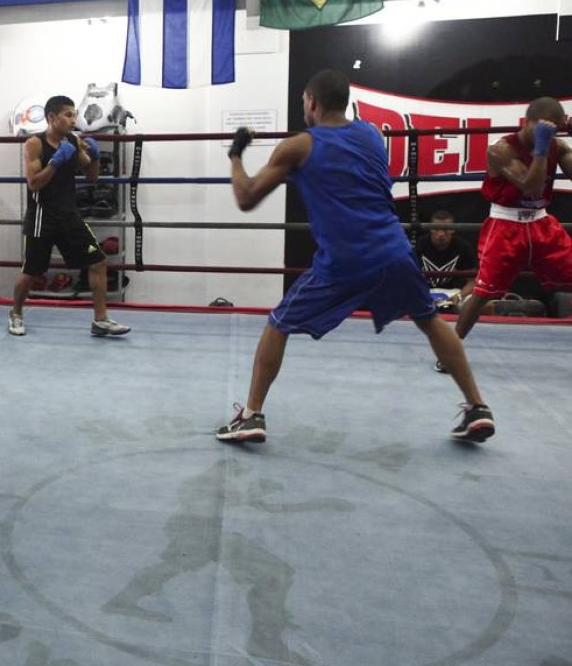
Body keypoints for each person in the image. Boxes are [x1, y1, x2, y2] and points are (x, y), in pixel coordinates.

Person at [215, 69, 496, 445]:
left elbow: (246, 197)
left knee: (278, 323)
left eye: (304, 102)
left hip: (346, 259)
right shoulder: (372, 135)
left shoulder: (298, 146)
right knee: (429, 321)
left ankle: (251, 416)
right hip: (396, 250)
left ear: (311, 102)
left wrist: (236, 154)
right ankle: (477, 406)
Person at [451, 98, 572, 344]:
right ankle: (450, 349)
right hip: (505, 227)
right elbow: (531, 187)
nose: (546, 136)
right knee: (483, 293)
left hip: (542, 224)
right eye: (539, 130)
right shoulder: (500, 150)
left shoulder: (557, 146)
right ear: (525, 122)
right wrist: (541, 147)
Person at [7, 95, 130, 337]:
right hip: (42, 216)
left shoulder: (73, 140)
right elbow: (33, 184)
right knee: (31, 271)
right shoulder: (35, 144)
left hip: (69, 215)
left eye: (74, 115)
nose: (74, 120)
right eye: (68, 115)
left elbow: (92, 177)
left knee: (98, 261)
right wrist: (55, 162)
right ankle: (16, 313)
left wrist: (93, 157)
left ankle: (100, 320)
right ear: (52, 117)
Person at [415, 209, 479, 310]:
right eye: (436, 229)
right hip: (425, 293)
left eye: (446, 229)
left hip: (454, 293)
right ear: (430, 229)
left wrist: (460, 295)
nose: (441, 234)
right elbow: (409, 277)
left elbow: (473, 281)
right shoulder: (420, 245)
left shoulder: (462, 247)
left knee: (483, 306)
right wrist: (420, 294)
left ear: (453, 229)